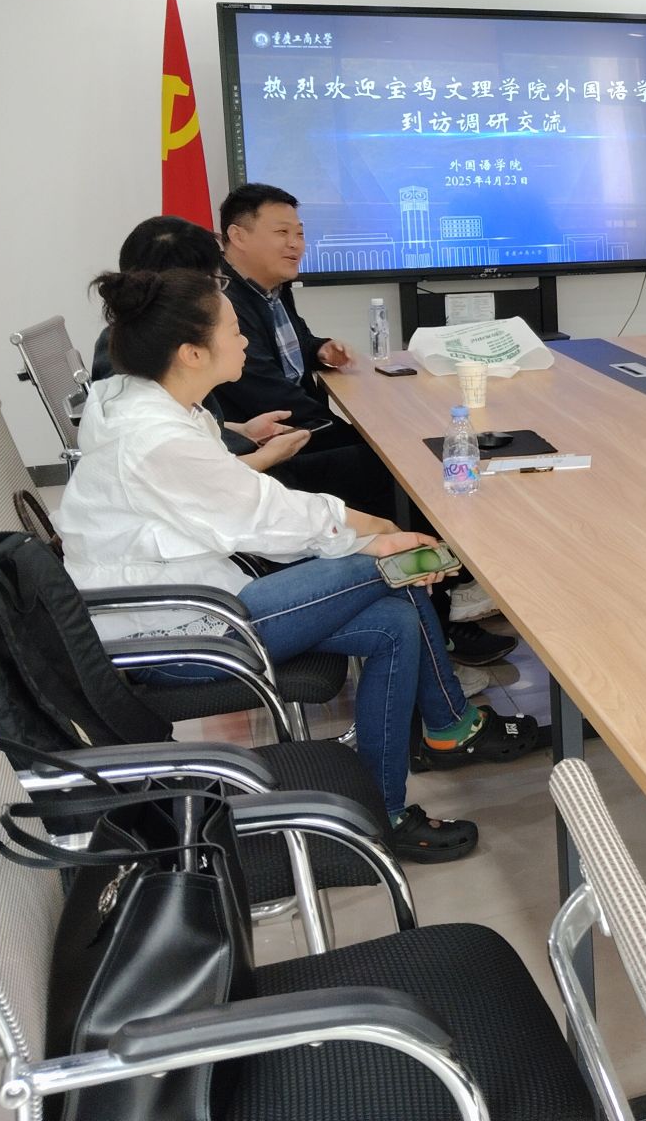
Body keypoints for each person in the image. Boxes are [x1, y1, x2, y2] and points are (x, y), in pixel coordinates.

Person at [55, 267, 546, 861]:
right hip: (181, 635)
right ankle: (445, 728)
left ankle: (384, 811)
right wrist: (376, 536)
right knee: (388, 566)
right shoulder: (157, 438)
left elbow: (243, 507)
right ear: (191, 353)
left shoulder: (141, 401)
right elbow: (266, 516)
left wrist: (369, 537)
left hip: (197, 599)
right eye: (233, 330)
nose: (244, 339)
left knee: (395, 619)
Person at [214, 183, 514, 668]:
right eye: (282, 233)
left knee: (402, 451)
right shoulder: (224, 302)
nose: (296, 244)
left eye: (300, 233)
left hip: (297, 431)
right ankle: (442, 615)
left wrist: (320, 348)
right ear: (238, 236)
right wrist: (358, 414)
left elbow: (293, 343)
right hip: (273, 450)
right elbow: (262, 391)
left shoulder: (269, 289)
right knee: (398, 465)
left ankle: (448, 592)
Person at [88, 215, 307, 472]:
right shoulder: (136, 354)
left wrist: (241, 430)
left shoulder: (155, 335)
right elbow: (187, 470)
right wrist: (269, 455)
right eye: (216, 280)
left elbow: (186, 421)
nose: (220, 291)